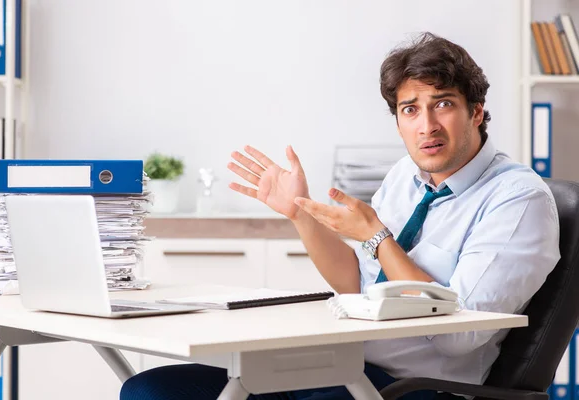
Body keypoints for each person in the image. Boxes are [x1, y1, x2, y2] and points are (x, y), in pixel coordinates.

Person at [120, 32, 560, 400]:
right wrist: (300, 214)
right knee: (150, 391)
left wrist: (378, 238)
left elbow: (459, 334)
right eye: (410, 110)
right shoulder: (407, 175)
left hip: (413, 389)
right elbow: (356, 281)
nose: (426, 125)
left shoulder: (518, 199)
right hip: (340, 363)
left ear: (476, 112)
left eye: (442, 104)